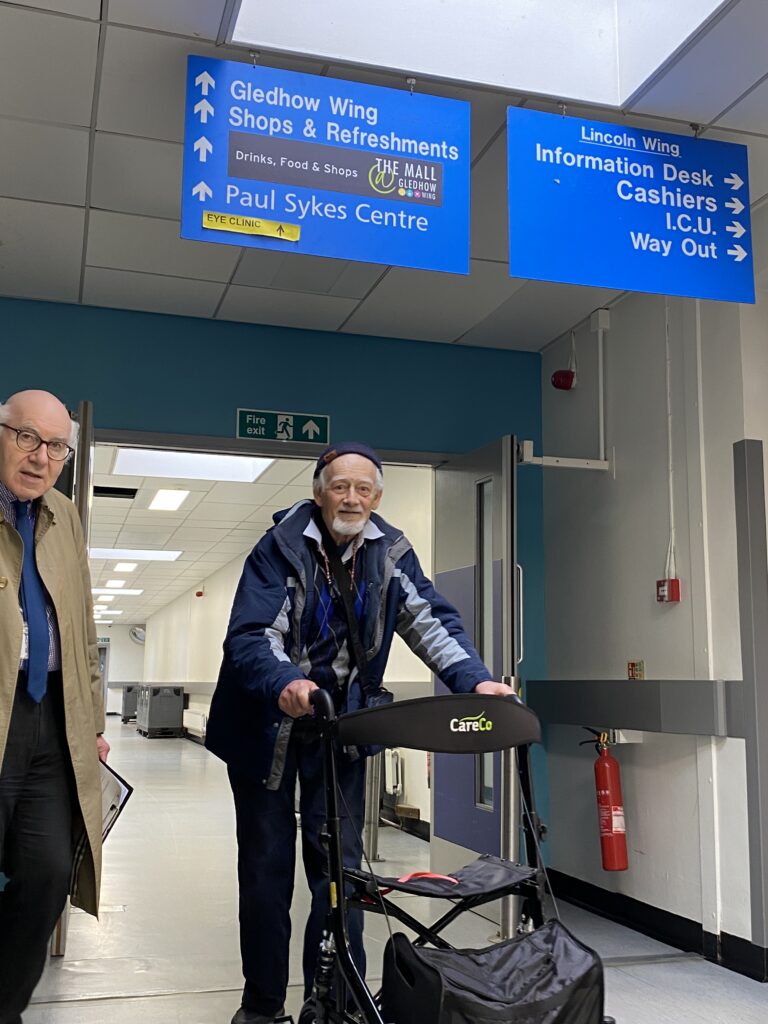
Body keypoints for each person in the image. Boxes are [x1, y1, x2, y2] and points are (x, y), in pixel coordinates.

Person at [207, 441, 513, 1024]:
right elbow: (252, 635)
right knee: (267, 871)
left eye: (363, 488)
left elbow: (430, 621)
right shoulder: (278, 547)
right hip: (265, 727)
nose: (351, 498)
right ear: (318, 493)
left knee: (341, 874)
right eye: (340, 486)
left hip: (339, 729)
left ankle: (336, 1002)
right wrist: (286, 682)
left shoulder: (390, 552)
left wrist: (475, 681)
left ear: (376, 496)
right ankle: (263, 1005)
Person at [0, 390, 108, 1024]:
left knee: (46, 875)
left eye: (57, 447)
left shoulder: (64, 516)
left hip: (50, 716)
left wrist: (91, 722)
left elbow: (82, 626)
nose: (41, 457)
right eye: (27, 438)